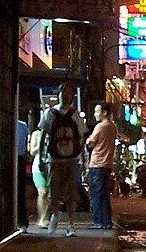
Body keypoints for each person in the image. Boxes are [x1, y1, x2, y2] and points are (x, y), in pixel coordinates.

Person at [38, 82, 89, 237]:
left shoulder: (75, 114)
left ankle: (71, 224)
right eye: (63, 92)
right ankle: (54, 215)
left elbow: (81, 138)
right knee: (53, 191)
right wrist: (41, 156)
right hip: (54, 158)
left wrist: (83, 159)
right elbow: (43, 135)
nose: (65, 95)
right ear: (58, 94)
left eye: (68, 92)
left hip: (72, 159)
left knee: (71, 193)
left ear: (71, 96)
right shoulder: (49, 113)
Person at [85, 102, 117, 229]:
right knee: (104, 194)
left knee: (96, 194)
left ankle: (98, 221)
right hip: (107, 164)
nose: (94, 114)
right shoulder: (113, 127)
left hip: (97, 164)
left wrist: (87, 140)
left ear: (104, 113)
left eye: (96, 111)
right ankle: (107, 221)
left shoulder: (100, 127)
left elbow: (91, 143)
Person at [28, 129, 49, 228]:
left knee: (49, 194)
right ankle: (41, 218)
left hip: (51, 166)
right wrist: (41, 143)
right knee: (42, 192)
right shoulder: (36, 134)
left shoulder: (54, 133)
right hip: (38, 167)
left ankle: (45, 217)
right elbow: (32, 151)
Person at [16, 118, 29, 232]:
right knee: (20, 191)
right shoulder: (23, 125)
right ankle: (22, 221)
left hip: (10, 157)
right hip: (20, 158)